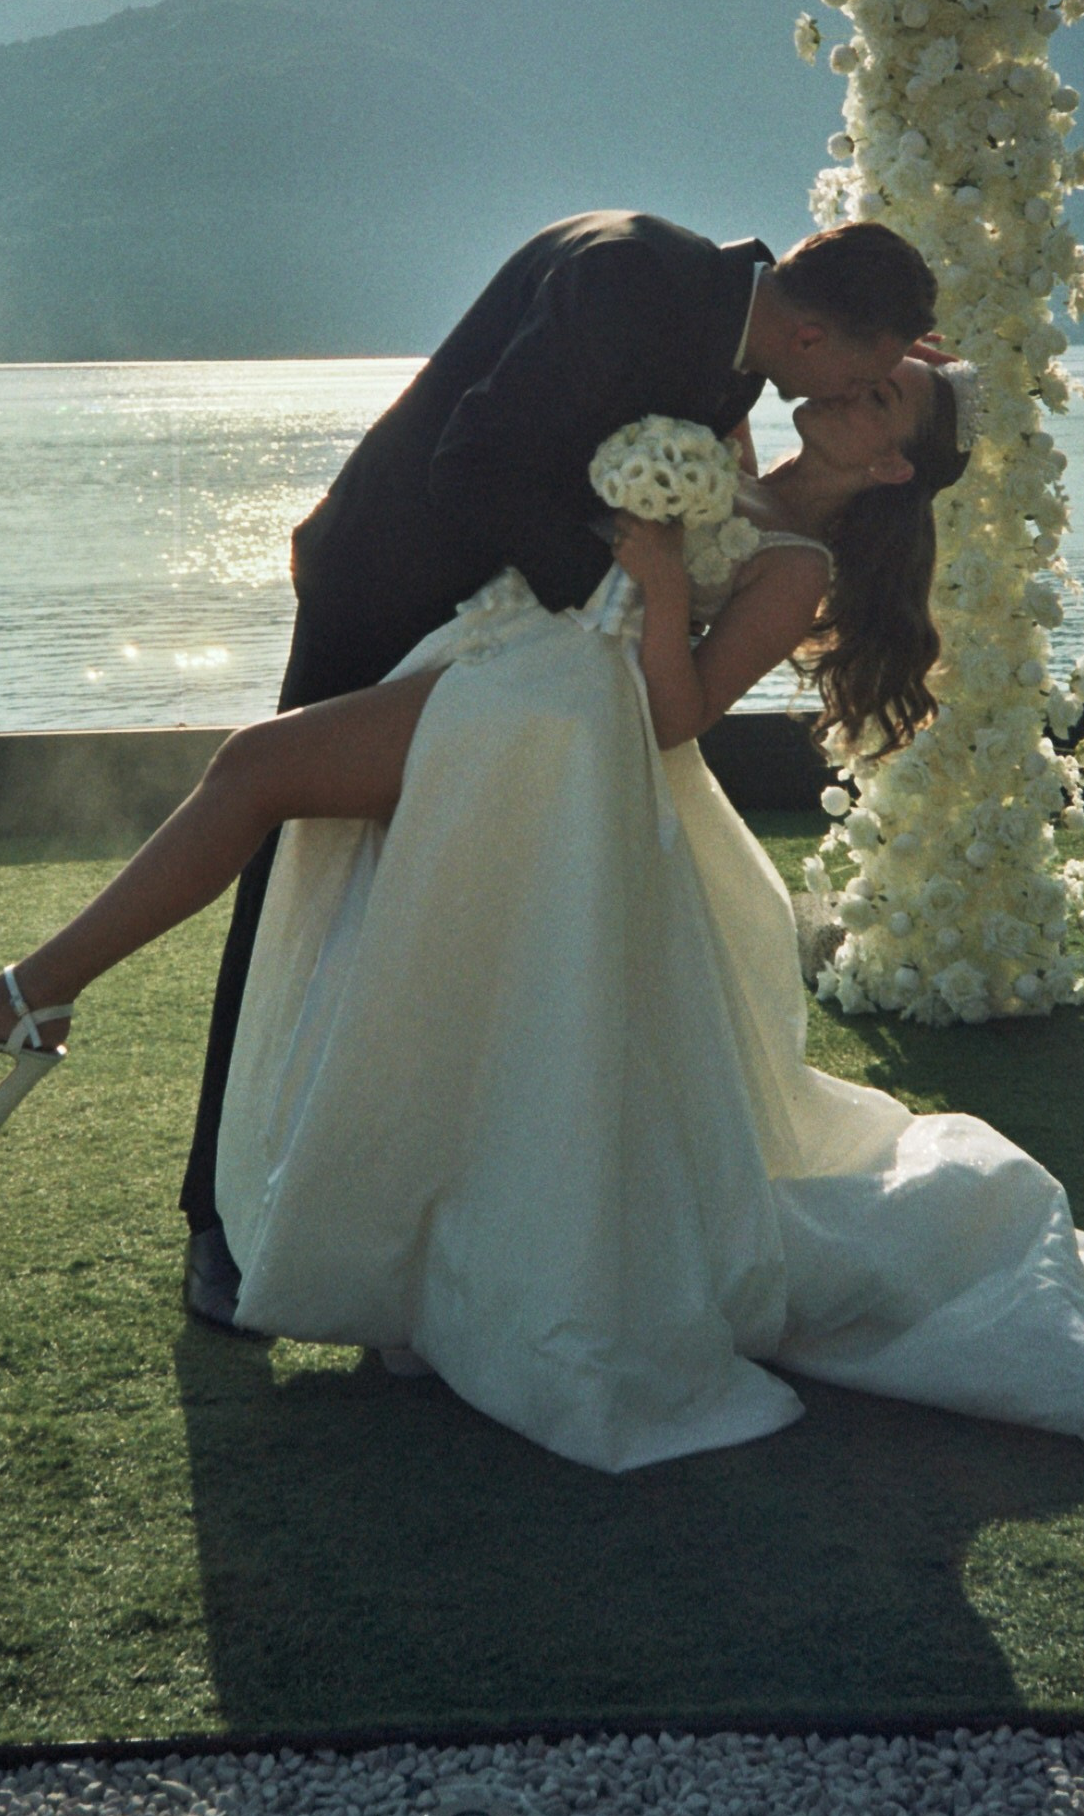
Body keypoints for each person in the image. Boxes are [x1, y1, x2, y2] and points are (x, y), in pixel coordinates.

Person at [0, 344, 1084, 1474]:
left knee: (259, 772)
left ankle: (22, 1000)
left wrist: (665, 567)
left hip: (568, 750)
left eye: (878, 407)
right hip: (503, 683)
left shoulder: (796, 565)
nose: (845, 401)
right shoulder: (721, 437)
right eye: (858, 380)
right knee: (405, 952)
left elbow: (678, 714)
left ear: (894, 466)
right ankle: (366, 1210)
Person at [178, 211, 939, 1333]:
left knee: (436, 919)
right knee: (295, 866)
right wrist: (622, 579)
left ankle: (395, 1205)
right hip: (391, 584)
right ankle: (216, 1214)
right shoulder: (632, 277)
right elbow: (471, 457)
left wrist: (639, 594)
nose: (850, 394)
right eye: (870, 369)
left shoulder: (738, 344)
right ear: (817, 333)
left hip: (511, 657)